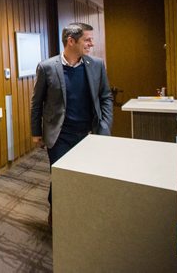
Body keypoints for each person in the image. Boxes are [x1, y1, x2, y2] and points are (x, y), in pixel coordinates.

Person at [30, 23, 113, 226]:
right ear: (71, 41)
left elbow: (106, 97)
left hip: (88, 134)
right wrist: (36, 132)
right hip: (59, 136)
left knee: (84, 178)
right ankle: (57, 214)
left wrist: (104, 127)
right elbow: (36, 102)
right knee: (60, 178)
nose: (91, 43)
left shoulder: (97, 64)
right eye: (87, 39)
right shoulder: (47, 67)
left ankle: (81, 216)